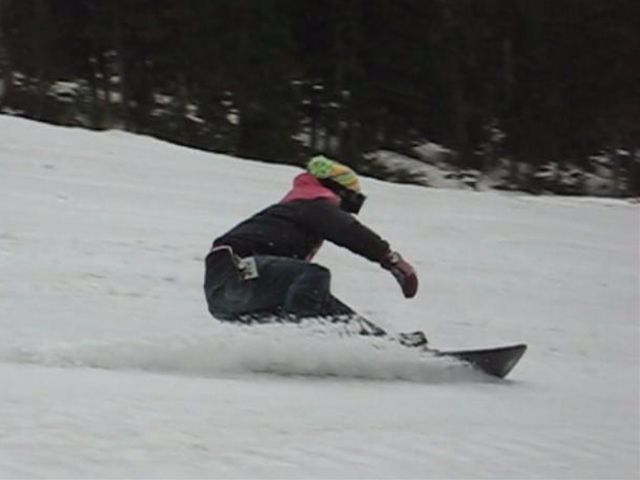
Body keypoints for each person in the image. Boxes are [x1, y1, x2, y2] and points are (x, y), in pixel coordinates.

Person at [203, 155, 418, 333]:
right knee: (314, 276)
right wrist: (391, 260)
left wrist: (380, 339)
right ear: (337, 191)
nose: (348, 212)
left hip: (241, 292)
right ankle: (298, 340)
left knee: (319, 301)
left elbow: (323, 306)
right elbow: (348, 230)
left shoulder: (298, 212)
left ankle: (381, 346)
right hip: (234, 273)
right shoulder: (310, 204)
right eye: (351, 204)